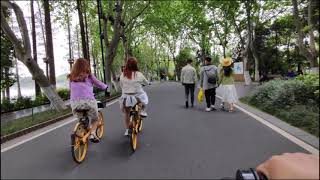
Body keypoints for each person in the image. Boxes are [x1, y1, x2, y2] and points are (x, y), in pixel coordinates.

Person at [68, 58, 108, 143]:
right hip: (88, 102)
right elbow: (98, 83)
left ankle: (78, 135)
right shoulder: (89, 76)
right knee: (95, 119)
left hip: (75, 104)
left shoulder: (71, 77)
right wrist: (106, 87)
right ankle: (93, 133)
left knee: (82, 118)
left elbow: (71, 90)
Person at [119, 57, 149, 136]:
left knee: (127, 113)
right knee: (144, 97)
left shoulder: (123, 75)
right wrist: (147, 83)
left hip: (126, 98)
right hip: (137, 97)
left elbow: (121, 86)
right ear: (136, 65)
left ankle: (127, 129)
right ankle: (142, 110)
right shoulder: (139, 74)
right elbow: (146, 82)